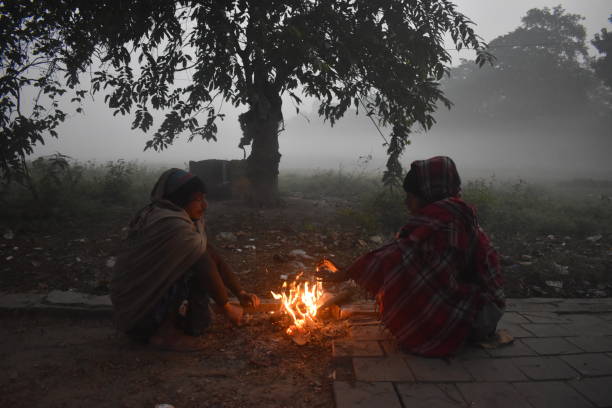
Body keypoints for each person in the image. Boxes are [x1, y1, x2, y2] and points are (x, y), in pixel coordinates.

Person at [318, 156, 504, 357]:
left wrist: (348, 272)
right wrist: (351, 269)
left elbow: (397, 258)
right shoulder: (454, 215)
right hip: (484, 310)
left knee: (408, 274)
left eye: (411, 196)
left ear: (429, 195)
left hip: (475, 317)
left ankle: (432, 333)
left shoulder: (445, 225)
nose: (406, 202)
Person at [111, 168, 260, 351]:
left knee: (198, 270)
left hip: (142, 307)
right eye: (197, 199)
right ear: (180, 199)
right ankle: (162, 334)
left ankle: (180, 324)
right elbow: (203, 261)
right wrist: (226, 307)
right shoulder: (170, 224)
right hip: (138, 312)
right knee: (195, 269)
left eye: (204, 198)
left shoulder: (180, 219)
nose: (204, 205)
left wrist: (240, 292)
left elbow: (211, 254)